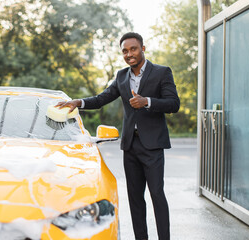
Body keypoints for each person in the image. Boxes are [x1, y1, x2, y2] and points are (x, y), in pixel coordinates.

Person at [56, 32, 180, 240]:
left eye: (133, 49)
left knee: (157, 195)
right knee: (134, 198)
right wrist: (79, 102)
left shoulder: (161, 72)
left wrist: (147, 101)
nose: (129, 54)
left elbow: (173, 104)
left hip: (152, 146)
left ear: (143, 48)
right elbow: (102, 98)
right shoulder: (122, 76)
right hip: (130, 146)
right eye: (125, 51)